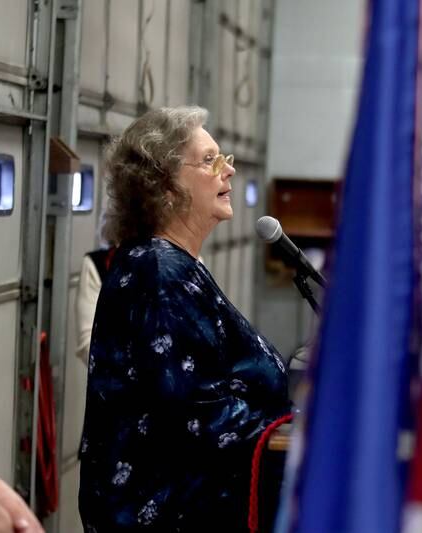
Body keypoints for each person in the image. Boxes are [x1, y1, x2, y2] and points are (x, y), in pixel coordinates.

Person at [78, 106, 290, 531]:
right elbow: (193, 410)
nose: (228, 170)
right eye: (211, 159)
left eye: (224, 156)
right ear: (166, 186)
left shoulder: (173, 263)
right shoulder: (158, 271)